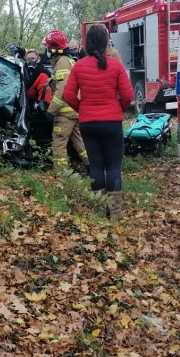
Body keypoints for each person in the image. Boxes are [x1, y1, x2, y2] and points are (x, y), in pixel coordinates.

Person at [63, 23, 133, 220]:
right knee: (113, 166)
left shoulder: (78, 66)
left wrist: (82, 109)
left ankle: (101, 211)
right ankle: (116, 213)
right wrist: (118, 109)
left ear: (87, 42)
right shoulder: (116, 65)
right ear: (105, 42)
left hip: (88, 123)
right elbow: (128, 95)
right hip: (112, 122)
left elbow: (68, 95)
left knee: (95, 165)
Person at [44, 30, 89, 171]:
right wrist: (51, 80)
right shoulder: (68, 60)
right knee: (80, 142)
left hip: (64, 112)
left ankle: (62, 174)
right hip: (74, 111)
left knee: (59, 142)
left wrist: (51, 110)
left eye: (47, 47)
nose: (45, 51)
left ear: (53, 48)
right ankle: (92, 166)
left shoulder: (62, 62)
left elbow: (62, 89)